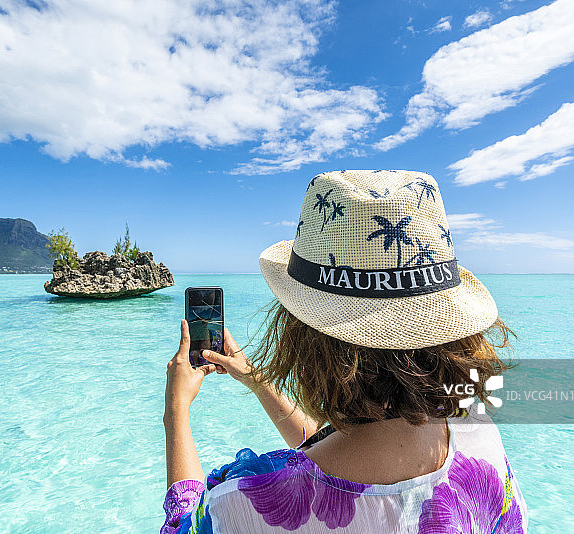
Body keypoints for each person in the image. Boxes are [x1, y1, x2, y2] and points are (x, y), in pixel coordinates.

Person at [162, 170, 528, 533]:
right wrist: (257, 381)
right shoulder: (482, 445)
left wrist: (176, 411)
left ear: (304, 337)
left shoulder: (243, 509)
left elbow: (182, 526)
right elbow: (343, 452)